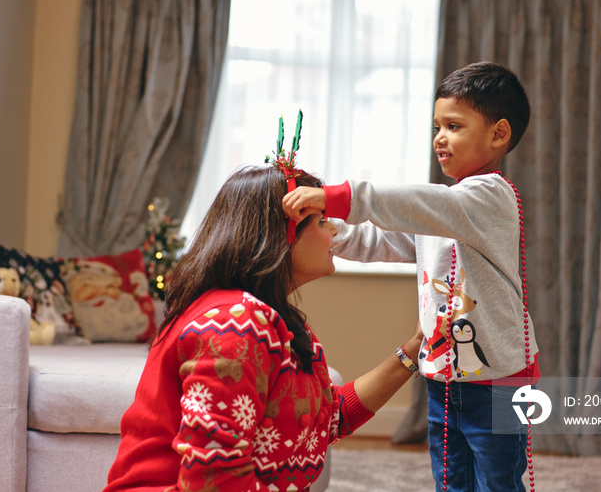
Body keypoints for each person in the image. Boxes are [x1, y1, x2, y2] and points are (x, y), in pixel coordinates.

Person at [283, 61, 540, 492]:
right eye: (437, 126)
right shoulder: (446, 212)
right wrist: (329, 228)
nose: (440, 137)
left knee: (498, 482)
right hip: (442, 378)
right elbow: (381, 241)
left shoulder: (491, 196)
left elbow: (418, 203)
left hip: (497, 383)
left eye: (454, 126)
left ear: (498, 134)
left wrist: (337, 197)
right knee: (450, 478)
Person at [104, 162, 424, 491]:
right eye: (323, 221)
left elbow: (327, 418)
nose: (335, 232)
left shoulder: (269, 319)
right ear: (282, 234)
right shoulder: (233, 327)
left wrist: (415, 348)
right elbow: (214, 480)